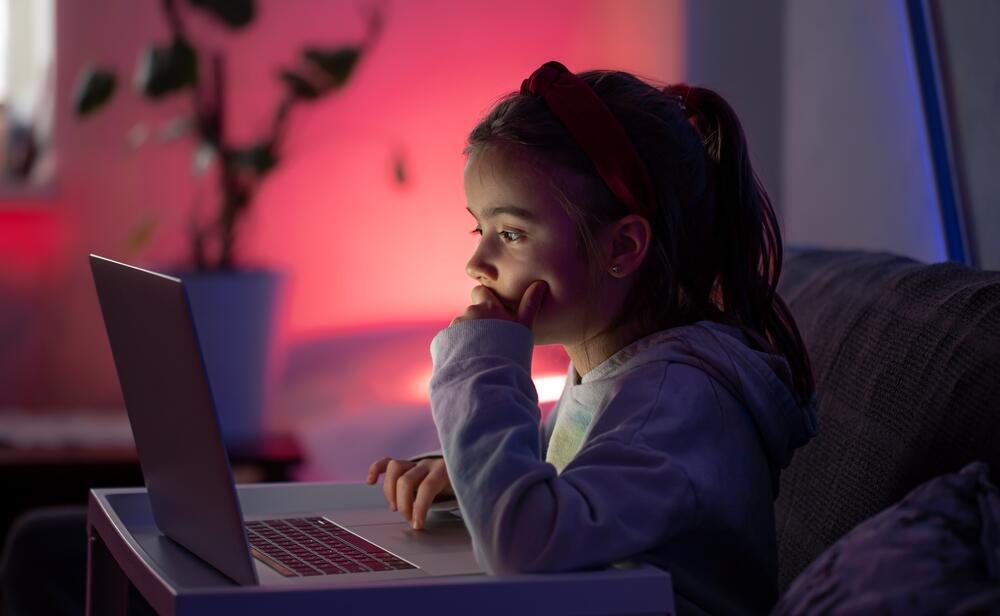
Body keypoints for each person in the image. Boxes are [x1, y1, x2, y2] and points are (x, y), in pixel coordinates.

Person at [367, 60, 818, 615]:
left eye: (510, 233)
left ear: (621, 248)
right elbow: (580, 493)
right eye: (479, 229)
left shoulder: (675, 400)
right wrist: (471, 475)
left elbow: (523, 547)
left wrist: (480, 366)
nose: (477, 263)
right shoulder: (616, 371)